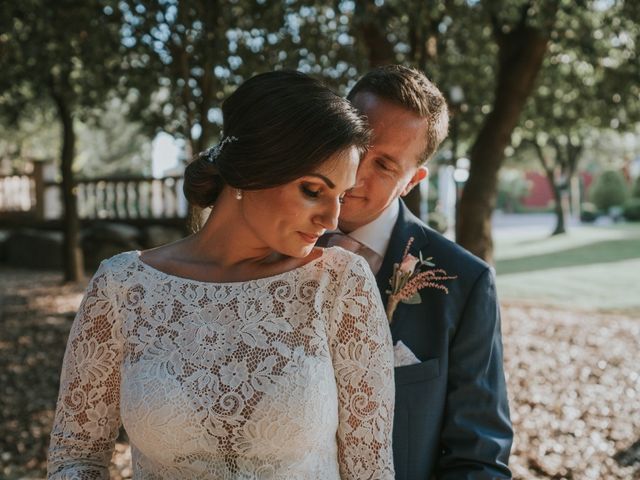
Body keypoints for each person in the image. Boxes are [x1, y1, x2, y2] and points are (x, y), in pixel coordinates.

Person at [47, 71, 395, 479]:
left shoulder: (339, 284)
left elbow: (370, 469)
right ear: (251, 171)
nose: (332, 218)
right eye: (313, 190)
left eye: (340, 195)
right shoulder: (123, 287)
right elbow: (76, 456)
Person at [329, 65, 513, 478]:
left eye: (386, 166)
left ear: (412, 181)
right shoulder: (269, 247)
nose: (357, 173)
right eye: (357, 145)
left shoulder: (465, 283)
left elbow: (478, 457)